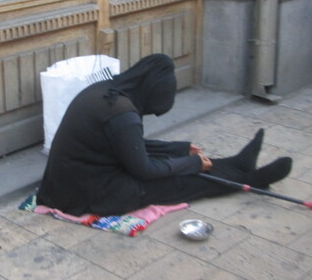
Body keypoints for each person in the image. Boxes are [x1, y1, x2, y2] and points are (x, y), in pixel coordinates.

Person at [36, 54, 293, 217]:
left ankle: (237, 164)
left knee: (180, 164)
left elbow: (131, 147)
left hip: (73, 180)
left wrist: (179, 149)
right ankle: (252, 180)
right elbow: (144, 170)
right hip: (86, 193)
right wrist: (190, 163)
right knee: (177, 181)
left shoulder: (107, 90)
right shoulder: (122, 114)